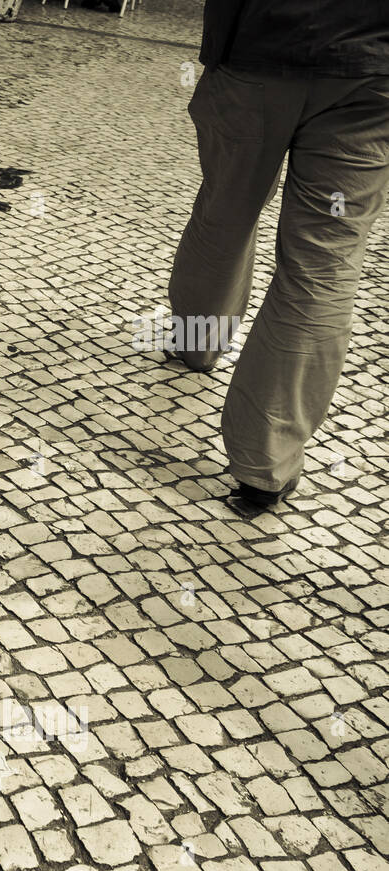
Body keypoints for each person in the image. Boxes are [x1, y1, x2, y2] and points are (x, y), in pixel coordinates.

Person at [166, 1, 389, 514]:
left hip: (257, 54)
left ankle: (197, 344)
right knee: (324, 265)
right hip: (370, 77)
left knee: (225, 214)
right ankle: (265, 463)